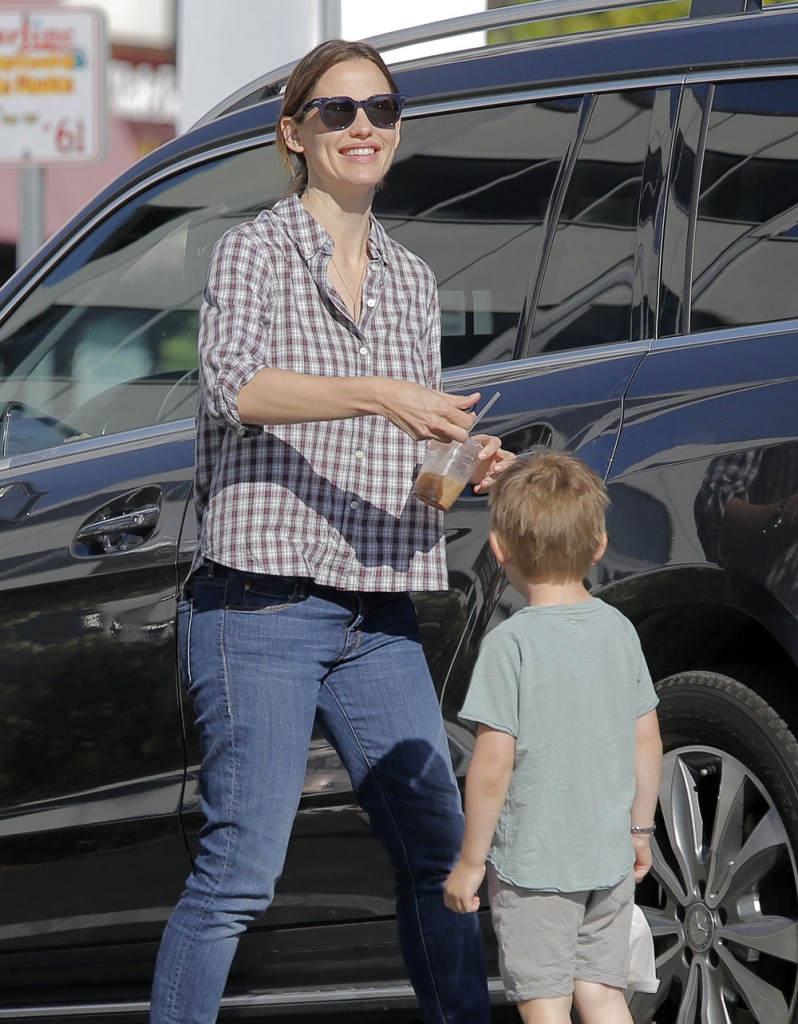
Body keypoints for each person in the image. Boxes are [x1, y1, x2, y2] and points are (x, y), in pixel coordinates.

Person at [148, 37, 514, 1024]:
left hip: (376, 609)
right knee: (240, 873)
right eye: (338, 112)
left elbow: (411, 462)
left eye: (382, 111)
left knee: (441, 856)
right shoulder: (253, 251)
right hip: (257, 604)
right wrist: (381, 395)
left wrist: (467, 463)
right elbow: (235, 388)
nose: (364, 128)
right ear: (294, 135)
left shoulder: (412, 281)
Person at [444, 451, 663, 1024]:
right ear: (599, 545)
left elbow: (492, 767)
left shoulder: (510, 646)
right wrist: (640, 831)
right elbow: (647, 741)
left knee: (545, 1002)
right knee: (602, 994)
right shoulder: (620, 631)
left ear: (498, 549)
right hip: (608, 857)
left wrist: (471, 860)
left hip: (533, 867)